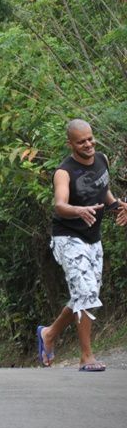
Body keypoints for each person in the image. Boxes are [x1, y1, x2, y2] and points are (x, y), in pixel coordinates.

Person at [37, 118, 127, 371]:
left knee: (86, 293)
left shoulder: (102, 160)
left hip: (93, 238)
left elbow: (104, 192)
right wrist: (78, 210)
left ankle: (49, 334)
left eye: (90, 139)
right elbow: (60, 205)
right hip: (68, 238)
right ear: (70, 144)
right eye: (81, 141)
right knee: (86, 294)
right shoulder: (64, 172)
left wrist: (119, 205)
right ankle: (87, 357)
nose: (88, 144)